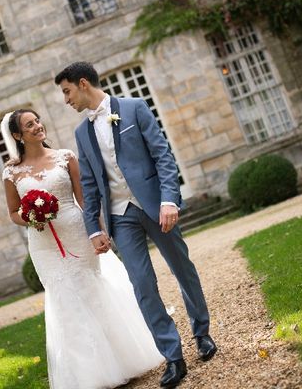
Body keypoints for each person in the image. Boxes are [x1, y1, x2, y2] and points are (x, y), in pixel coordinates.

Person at [55, 62, 217, 388]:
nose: (66, 99)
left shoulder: (134, 108)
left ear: (83, 83)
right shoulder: (81, 133)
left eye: (67, 91)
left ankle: (202, 334)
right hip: (120, 216)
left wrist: (170, 199)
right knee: (142, 286)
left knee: (183, 270)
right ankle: (173, 355)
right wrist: (95, 228)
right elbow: (88, 185)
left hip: (156, 206)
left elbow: (163, 156)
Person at [1, 109, 164, 389]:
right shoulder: (12, 171)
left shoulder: (65, 157)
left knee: (90, 287)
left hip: (75, 231)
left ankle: (122, 360)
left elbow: (85, 200)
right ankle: (89, 375)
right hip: (43, 243)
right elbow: (13, 212)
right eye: (30, 125)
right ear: (17, 135)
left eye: (38, 120)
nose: (38, 126)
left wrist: (97, 231)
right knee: (63, 296)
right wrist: (30, 217)